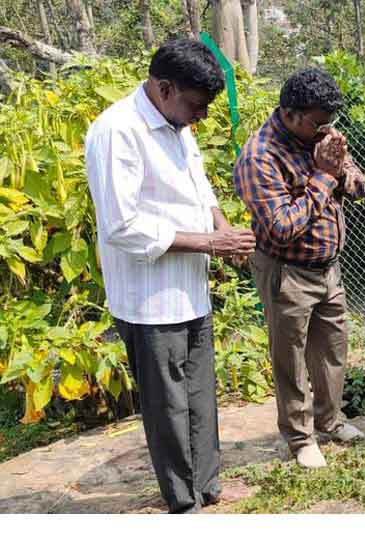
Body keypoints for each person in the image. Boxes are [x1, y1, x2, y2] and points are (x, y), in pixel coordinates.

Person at [85, 39, 256, 513]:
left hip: (190, 289)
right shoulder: (117, 131)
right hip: (149, 297)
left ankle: (209, 485)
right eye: (196, 106)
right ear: (164, 88)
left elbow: (199, 188)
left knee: (200, 394)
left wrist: (221, 227)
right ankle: (183, 504)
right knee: (167, 407)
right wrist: (210, 243)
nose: (201, 117)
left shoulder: (177, 123)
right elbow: (123, 226)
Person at [234, 68, 365, 468]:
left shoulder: (322, 138)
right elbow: (282, 226)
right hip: (286, 271)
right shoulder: (259, 156)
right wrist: (324, 176)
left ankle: (330, 419)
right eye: (317, 121)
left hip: (329, 268)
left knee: (332, 350)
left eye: (330, 121)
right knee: (289, 358)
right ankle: (300, 438)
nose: (326, 129)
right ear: (290, 113)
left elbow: (360, 188)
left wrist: (340, 169)